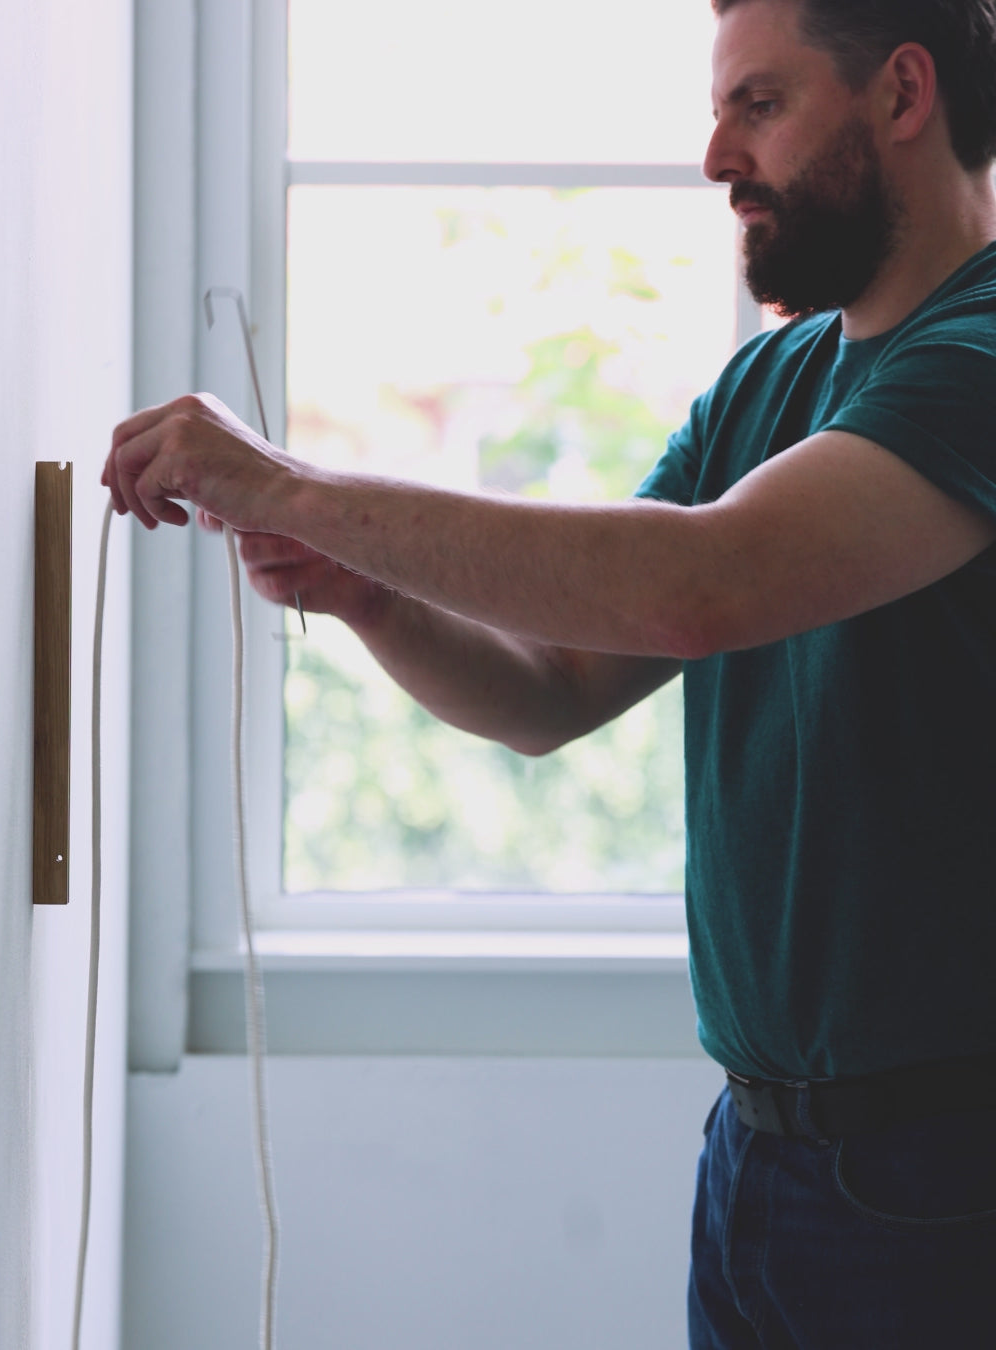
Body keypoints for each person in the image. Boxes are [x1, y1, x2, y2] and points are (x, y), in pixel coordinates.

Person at [105, 0, 996, 1343]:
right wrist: (362, 593)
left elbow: (697, 585)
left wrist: (290, 481)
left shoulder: (978, 358)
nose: (713, 155)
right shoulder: (768, 387)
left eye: (758, 103)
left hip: (938, 1181)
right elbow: (557, 683)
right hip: (757, 1154)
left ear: (903, 93)